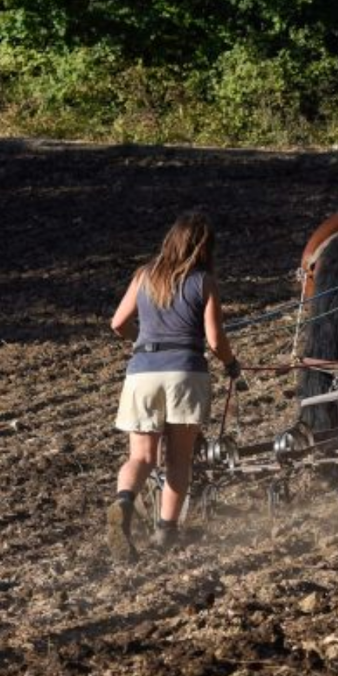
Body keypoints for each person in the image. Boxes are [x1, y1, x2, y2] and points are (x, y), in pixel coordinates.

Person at [106, 211, 240, 559]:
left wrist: (141, 340)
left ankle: (123, 502)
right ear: (204, 248)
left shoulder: (144, 276)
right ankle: (166, 532)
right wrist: (231, 364)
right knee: (179, 459)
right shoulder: (204, 282)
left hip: (143, 373)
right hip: (185, 372)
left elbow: (118, 323)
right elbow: (215, 339)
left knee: (141, 456)